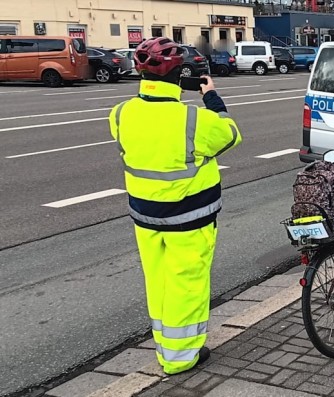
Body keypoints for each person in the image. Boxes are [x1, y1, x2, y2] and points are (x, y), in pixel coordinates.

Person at [108, 37, 241, 375]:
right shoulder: (193, 120)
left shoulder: (121, 114)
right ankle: (180, 357)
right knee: (187, 285)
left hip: (145, 217)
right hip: (189, 219)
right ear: (179, 77)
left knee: (158, 282)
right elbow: (229, 134)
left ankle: (164, 346)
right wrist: (210, 94)